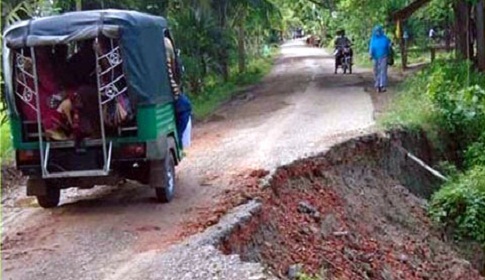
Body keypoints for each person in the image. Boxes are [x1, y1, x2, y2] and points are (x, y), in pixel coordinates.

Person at [369, 25, 391, 93]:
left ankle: (382, 85)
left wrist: (389, 55)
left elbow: (388, 47)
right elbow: (371, 47)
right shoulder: (373, 39)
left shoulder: (385, 38)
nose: (377, 32)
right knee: (376, 71)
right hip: (375, 57)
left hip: (384, 56)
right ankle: (377, 84)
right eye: (376, 31)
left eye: (378, 31)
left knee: (383, 71)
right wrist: (370, 55)